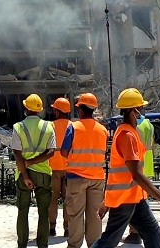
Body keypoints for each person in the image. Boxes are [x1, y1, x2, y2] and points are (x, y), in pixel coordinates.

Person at [91, 88, 160, 248]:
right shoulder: (127, 136)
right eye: (140, 109)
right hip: (125, 198)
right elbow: (135, 174)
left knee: (152, 232)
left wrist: (106, 202)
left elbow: (116, 173)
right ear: (133, 110)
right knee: (109, 240)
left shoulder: (129, 132)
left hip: (134, 196)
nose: (141, 113)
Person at [60, 93, 108, 248]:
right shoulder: (102, 130)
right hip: (97, 178)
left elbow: (64, 152)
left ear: (80, 109)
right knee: (95, 215)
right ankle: (94, 245)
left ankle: (74, 245)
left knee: (75, 214)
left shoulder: (73, 127)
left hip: (76, 177)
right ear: (93, 110)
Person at [11, 93, 56, 248]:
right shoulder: (49, 126)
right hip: (43, 174)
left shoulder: (18, 127)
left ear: (26, 108)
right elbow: (51, 152)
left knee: (22, 211)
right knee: (43, 213)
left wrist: (25, 174)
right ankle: (42, 246)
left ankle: (22, 245)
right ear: (40, 110)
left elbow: (17, 153)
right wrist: (33, 162)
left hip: (23, 174)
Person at [121, 94, 155, 245]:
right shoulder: (149, 124)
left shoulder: (134, 127)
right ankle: (138, 232)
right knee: (142, 201)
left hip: (136, 167)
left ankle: (134, 233)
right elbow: (152, 145)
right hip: (147, 165)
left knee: (133, 201)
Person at [48, 97, 71, 237]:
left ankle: (52, 227)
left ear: (57, 111)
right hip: (68, 169)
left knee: (53, 200)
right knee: (68, 201)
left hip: (53, 169)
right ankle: (67, 228)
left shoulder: (50, 126)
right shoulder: (72, 126)